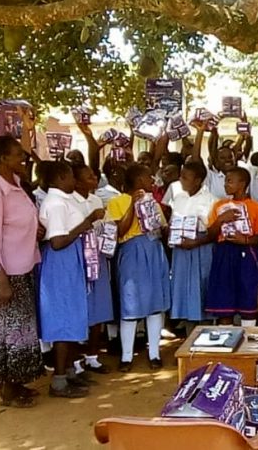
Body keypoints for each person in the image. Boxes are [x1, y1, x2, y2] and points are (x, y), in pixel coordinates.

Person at [0, 135, 45, 408]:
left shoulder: (13, 183)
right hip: (3, 273)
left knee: (20, 330)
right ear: (3, 158)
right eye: (17, 155)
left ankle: (17, 382)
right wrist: (1, 280)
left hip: (21, 266)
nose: (22, 159)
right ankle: (6, 390)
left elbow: (18, 220)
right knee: (4, 331)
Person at [38, 162, 105, 397]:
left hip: (70, 260)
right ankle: (58, 380)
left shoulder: (64, 200)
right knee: (63, 318)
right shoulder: (56, 203)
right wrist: (85, 224)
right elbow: (57, 241)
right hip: (61, 262)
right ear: (59, 178)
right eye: (69, 177)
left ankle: (68, 373)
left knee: (72, 315)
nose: (73, 181)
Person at [106, 164, 170, 372]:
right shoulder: (117, 202)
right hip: (130, 253)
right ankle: (126, 356)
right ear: (138, 180)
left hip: (153, 251)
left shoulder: (153, 202)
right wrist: (133, 205)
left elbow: (162, 229)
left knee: (154, 304)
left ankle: (154, 354)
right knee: (130, 304)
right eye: (146, 177)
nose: (151, 180)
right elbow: (119, 231)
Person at [205, 168, 258, 325]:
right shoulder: (219, 205)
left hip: (246, 255)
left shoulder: (256, 208)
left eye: (230, 181)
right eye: (225, 181)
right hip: (223, 254)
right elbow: (210, 234)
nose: (226, 185)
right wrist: (221, 220)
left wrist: (244, 240)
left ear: (242, 184)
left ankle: (248, 340)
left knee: (248, 297)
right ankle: (226, 342)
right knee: (224, 299)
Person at [71, 164, 113, 373]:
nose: (94, 180)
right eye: (88, 177)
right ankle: (76, 359)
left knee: (98, 305)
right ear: (76, 181)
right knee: (80, 307)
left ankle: (93, 355)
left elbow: (104, 227)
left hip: (98, 255)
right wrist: (91, 219)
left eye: (94, 176)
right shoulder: (71, 202)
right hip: (79, 258)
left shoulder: (96, 200)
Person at [168, 161, 217, 329]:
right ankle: (189, 336)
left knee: (201, 289)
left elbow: (214, 232)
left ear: (197, 180)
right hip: (181, 250)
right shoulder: (178, 198)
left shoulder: (210, 200)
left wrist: (196, 242)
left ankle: (205, 334)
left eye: (185, 177)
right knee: (184, 292)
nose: (181, 180)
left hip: (200, 248)